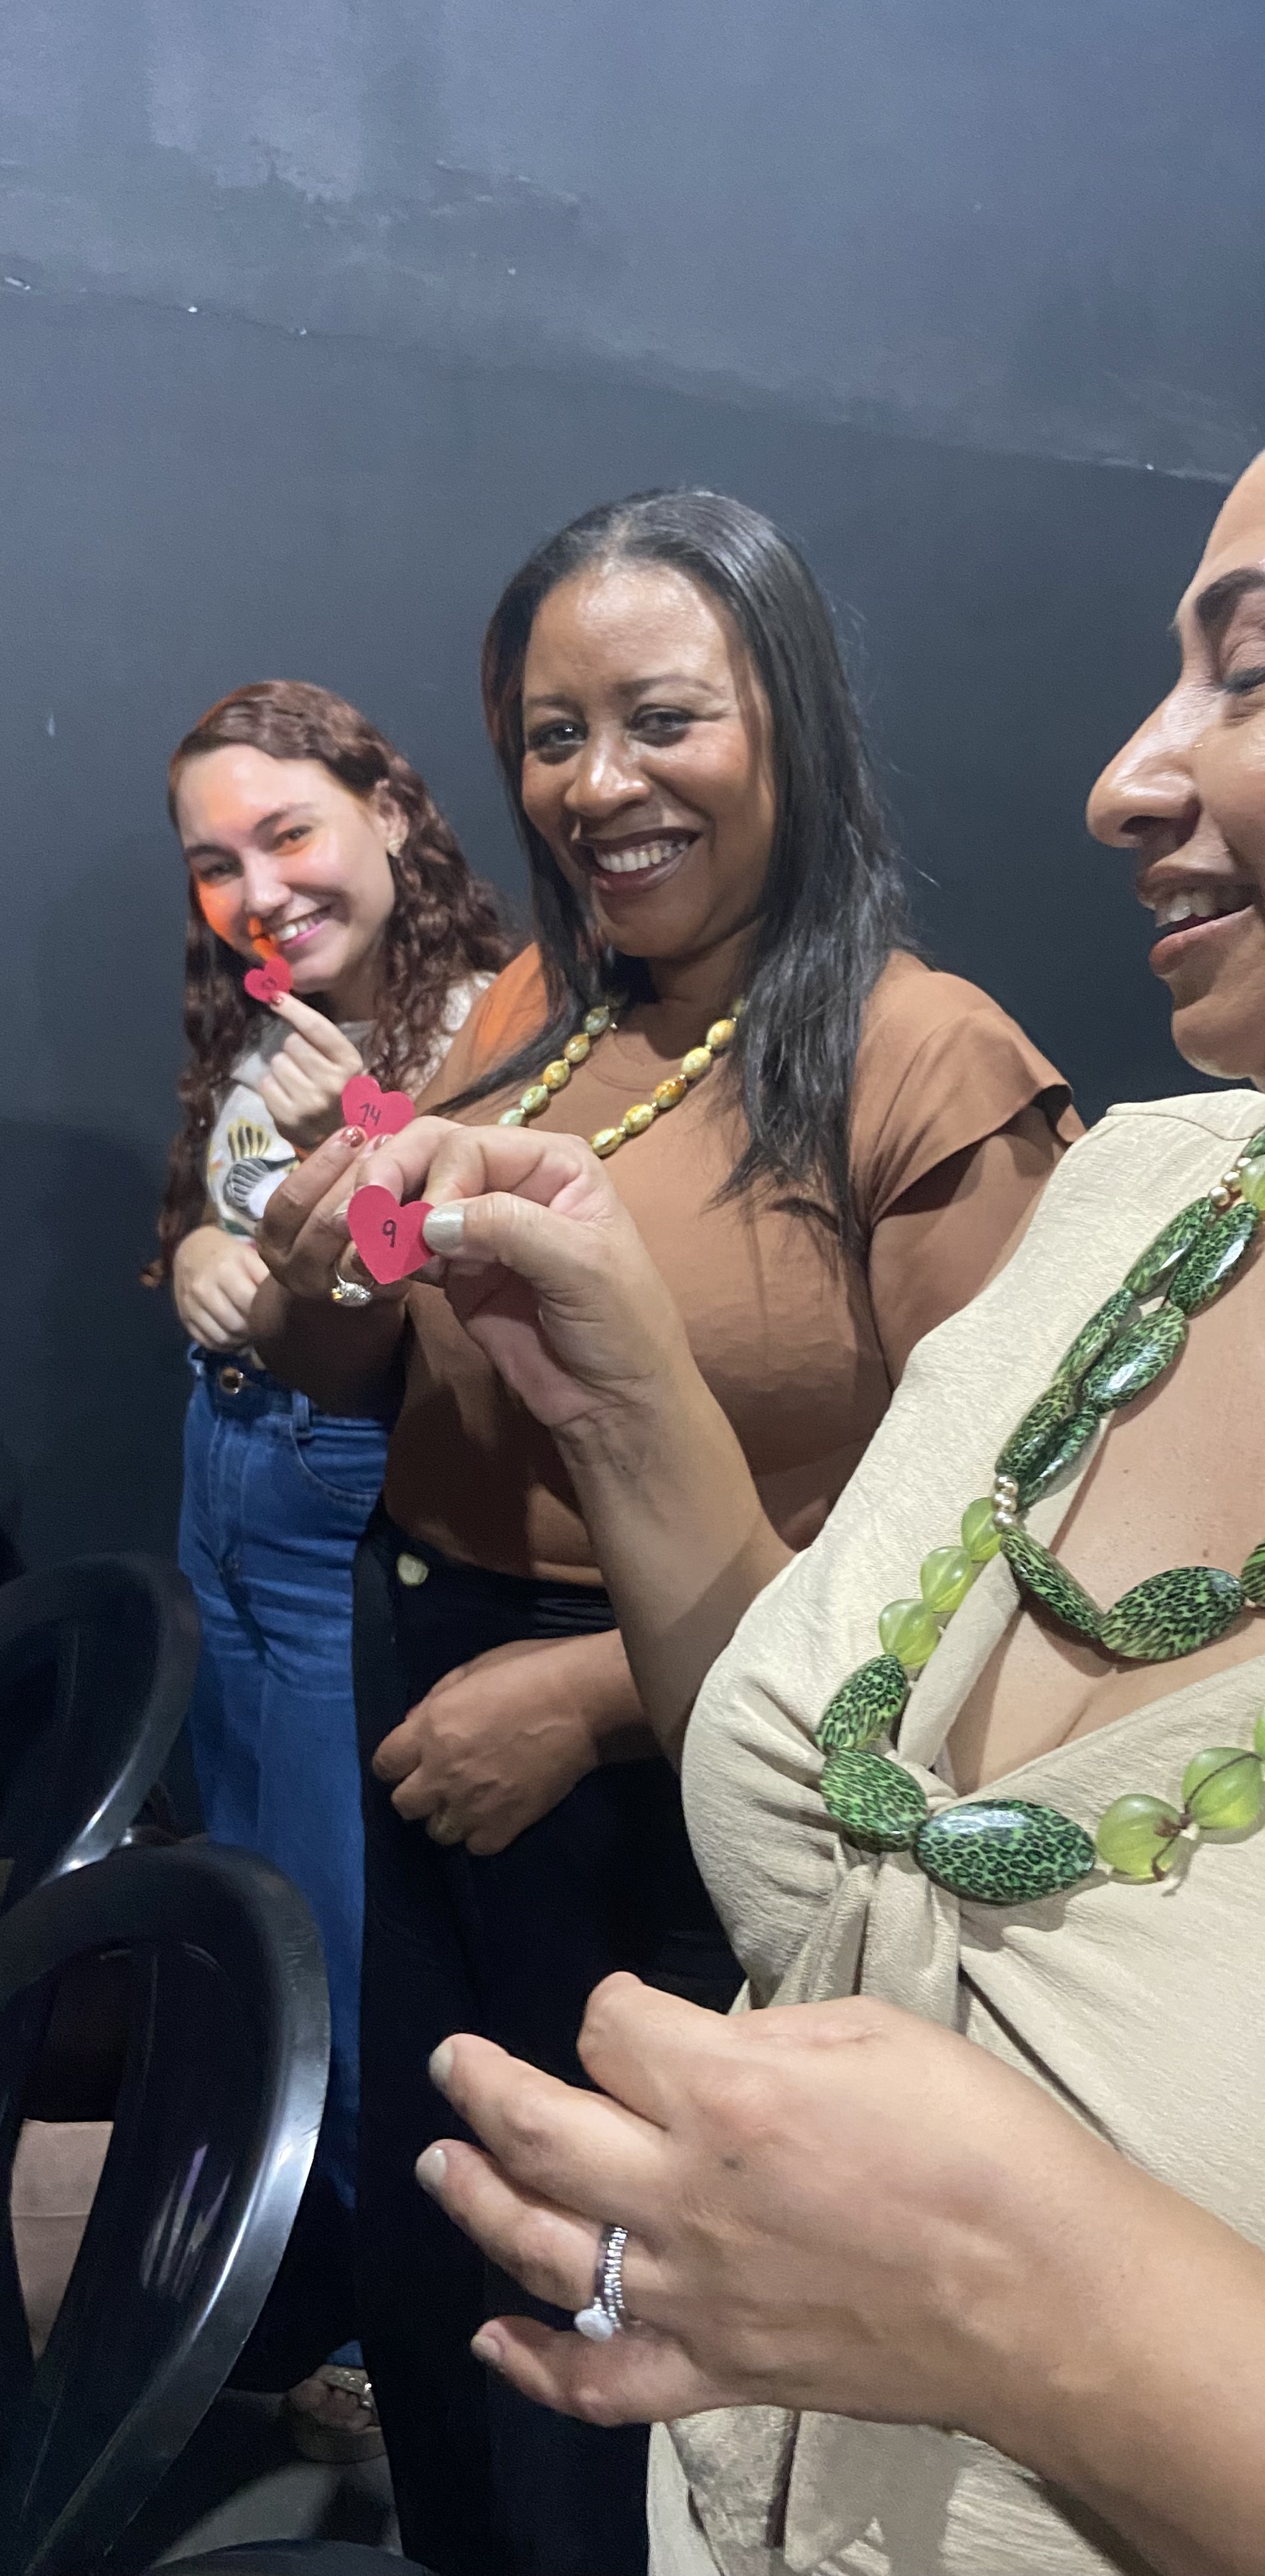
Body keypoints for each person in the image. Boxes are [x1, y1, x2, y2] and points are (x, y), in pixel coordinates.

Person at [332, 323, 1265, 2576]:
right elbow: (842, 1802)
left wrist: (1031, 2302)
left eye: (1252, 669)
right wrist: (601, 1382)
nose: (1125, 777)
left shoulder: (934, 1061)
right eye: (548, 733)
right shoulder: (1145, 1199)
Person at [251, 490, 1080, 2573]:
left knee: (617, 2330)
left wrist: (595, 1699)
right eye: (552, 735)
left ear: (789, 720)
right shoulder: (528, 1009)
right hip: (425, 1708)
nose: (597, 783)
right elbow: (374, 1373)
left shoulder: (926, 1062)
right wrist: (319, 1267)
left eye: (661, 719)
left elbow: (986, 1570)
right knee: (451, 2268)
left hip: (689, 1774)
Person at [150, 679, 508, 2457]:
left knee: (345, 1941)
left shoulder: (490, 1020)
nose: (258, 891)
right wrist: (198, 1262)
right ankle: (271, 2294)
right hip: (224, 1478)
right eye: (216, 862)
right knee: (244, 1910)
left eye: (287, 834)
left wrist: (335, 1147)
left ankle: (400, 2345)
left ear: (392, 809)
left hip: (340, 1507)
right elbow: (222, 1222)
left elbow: (450, 1286)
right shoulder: (267, 1013)